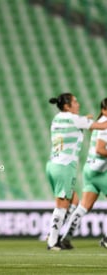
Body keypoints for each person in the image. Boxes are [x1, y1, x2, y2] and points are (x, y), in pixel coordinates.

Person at [46, 93, 107, 250]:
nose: (78, 104)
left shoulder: (57, 118)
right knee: (61, 206)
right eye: (75, 102)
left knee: (74, 202)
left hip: (53, 164)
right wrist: (88, 120)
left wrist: (86, 120)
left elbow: (77, 125)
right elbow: (101, 126)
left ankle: (60, 234)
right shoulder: (74, 119)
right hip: (65, 166)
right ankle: (52, 241)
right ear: (67, 106)